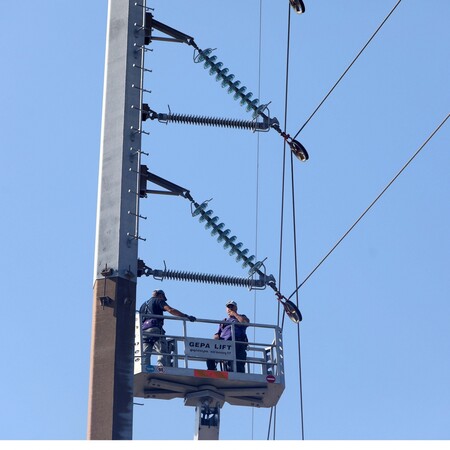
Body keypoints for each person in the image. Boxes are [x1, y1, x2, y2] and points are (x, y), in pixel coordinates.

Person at [139, 289, 196, 367]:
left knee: (146, 352)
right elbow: (170, 310)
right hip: (155, 328)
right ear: (160, 295)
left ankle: (144, 367)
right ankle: (161, 368)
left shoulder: (143, 305)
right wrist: (186, 316)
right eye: (163, 297)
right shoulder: (158, 300)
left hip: (144, 330)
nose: (163, 299)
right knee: (162, 350)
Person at [207, 300, 249, 373]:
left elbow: (245, 323)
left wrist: (235, 314)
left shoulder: (241, 317)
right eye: (228, 307)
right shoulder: (224, 321)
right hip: (224, 344)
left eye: (232, 306)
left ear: (236, 308)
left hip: (237, 343)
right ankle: (212, 370)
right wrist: (215, 338)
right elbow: (218, 334)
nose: (230, 308)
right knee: (209, 351)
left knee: (238, 365)